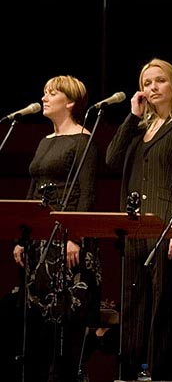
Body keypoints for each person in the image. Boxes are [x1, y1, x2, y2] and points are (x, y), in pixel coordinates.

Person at [105, 58, 172, 380]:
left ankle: (162, 374)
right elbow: (112, 160)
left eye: (159, 81)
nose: (152, 88)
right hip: (134, 228)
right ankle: (129, 373)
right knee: (133, 305)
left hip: (165, 226)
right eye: (147, 83)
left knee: (162, 306)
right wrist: (132, 116)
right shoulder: (139, 129)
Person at [12, 75, 101, 381]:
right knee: (35, 324)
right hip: (38, 238)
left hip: (65, 238)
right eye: (44, 92)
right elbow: (33, 189)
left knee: (64, 323)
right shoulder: (43, 141)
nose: (45, 98)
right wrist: (22, 237)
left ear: (71, 102)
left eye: (53, 93)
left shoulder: (83, 140)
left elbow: (87, 192)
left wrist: (75, 236)